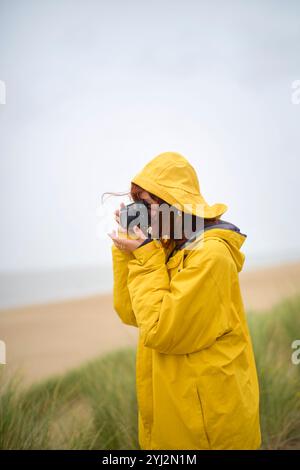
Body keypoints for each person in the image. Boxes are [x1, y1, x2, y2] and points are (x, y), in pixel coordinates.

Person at [107, 151, 261, 450]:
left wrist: (146, 256)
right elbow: (132, 314)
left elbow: (161, 330)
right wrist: (128, 252)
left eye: (147, 203)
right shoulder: (166, 250)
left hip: (209, 428)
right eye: (135, 202)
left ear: (174, 203)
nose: (140, 211)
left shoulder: (211, 255)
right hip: (174, 415)